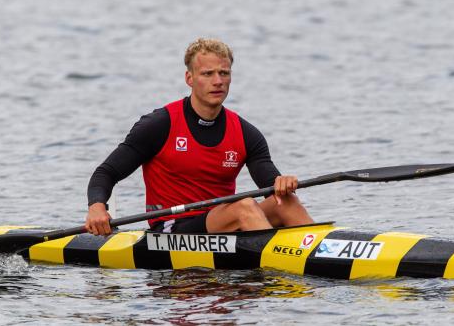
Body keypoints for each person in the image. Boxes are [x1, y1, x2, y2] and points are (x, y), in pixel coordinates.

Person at [86, 38, 313, 235]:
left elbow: (270, 186)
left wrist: (281, 183)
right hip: (173, 227)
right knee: (244, 206)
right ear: (190, 78)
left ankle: (323, 253)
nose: (218, 81)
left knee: (285, 201)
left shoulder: (246, 133)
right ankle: (275, 271)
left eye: (224, 73)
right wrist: (97, 207)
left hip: (225, 220)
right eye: (208, 74)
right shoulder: (159, 125)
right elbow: (106, 172)